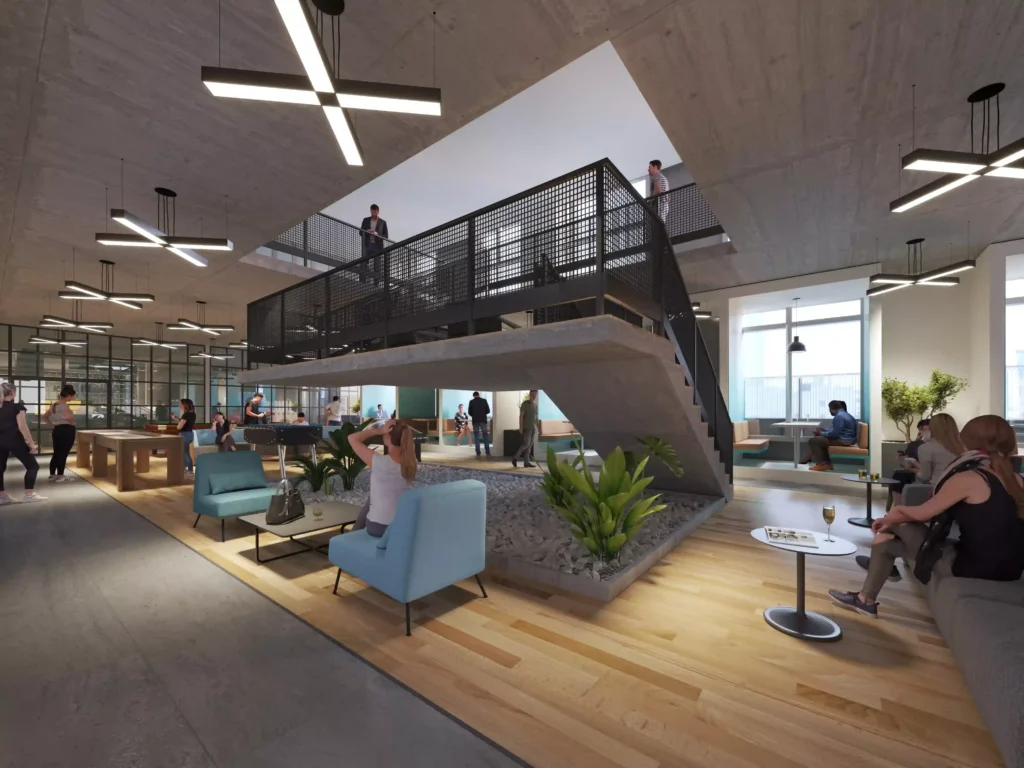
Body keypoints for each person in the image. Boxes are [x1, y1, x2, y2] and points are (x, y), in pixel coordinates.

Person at [829, 414, 1024, 618]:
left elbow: (922, 514)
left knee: (895, 523)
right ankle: (865, 600)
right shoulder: (1018, 480)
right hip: (1010, 570)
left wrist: (893, 515)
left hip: (974, 567)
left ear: (966, 439)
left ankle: (875, 585)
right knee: (884, 542)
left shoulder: (970, 478)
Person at [347, 419, 417, 537]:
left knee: (372, 500)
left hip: (379, 527)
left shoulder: (379, 461)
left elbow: (352, 438)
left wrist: (379, 430)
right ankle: (354, 534)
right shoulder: (412, 463)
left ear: (387, 437)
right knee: (374, 499)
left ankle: (353, 535)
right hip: (402, 525)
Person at [890, 413, 962, 507]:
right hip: (960, 489)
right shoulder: (964, 446)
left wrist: (912, 469)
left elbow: (925, 477)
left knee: (910, 489)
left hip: (936, 490)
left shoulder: (926, 448)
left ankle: (900, 512)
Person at [0, 382, 44, 504]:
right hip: (14, 440)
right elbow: (22, 426)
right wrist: (31, 443)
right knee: (33, 466)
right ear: (13, 393)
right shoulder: (17, 407)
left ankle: (2, 496)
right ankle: (29, 494)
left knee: (0, 468)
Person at [805, 400, 857, 471]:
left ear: (830, 409)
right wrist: (822, 433)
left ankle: (824, 464)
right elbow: (836, 430)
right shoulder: (846, 414)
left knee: (813, 440)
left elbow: (835, 434)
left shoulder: (839, 416)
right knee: (820, 439)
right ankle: (826, 463)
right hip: (849, 439)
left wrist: (821, 434)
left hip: (844, 440)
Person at [44, 384, 77, 483]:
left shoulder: (54, 405)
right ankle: (61, 475)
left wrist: (52, 425)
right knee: (63, 453)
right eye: (72, 396)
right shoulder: (64, 406)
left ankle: (52, 474)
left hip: (57, 430)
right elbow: (67, 417)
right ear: (69, 396)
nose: (73, 398)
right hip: (67, 430)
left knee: (57, 452)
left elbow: (45, 417)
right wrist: (72, 423)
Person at [361, 204, 389, 286]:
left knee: (377, 266)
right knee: (363, 263)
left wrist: (378, 234)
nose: (374, 214)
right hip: (367, 245)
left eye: (375, 213)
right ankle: (362, 282)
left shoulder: (383, 222)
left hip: (377, 246)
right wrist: (367, 232)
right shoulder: (365, 220)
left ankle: (376, 285)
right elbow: (360, 232)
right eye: (372, 212)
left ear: (378, 212)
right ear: (370, 211)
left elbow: (386, 236)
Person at [513, 390, 539, 469]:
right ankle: (515, 458)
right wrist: (520, 427)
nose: (533, 396)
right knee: (526, 444)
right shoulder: (525, 404)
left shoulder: (535, 406)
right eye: (532, 394)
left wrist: (538, 428)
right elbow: (521, 416)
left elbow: (536, 418)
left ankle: (526, 462)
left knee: (529, 446)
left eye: (535, 395)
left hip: (533, 428)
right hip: (526, 428)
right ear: (529, 394)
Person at [468, 391, 491, 460]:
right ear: (478, 395)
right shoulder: (484, 401)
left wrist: (474, 415)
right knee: (485, 436)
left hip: (475, 421)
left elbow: (469, 412)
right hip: (483, 420)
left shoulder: (471, 402)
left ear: (473, 396)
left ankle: (478, 454)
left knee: (476, 437)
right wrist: (483, 413)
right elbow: (488, 411)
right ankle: (487, 453)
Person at [177, 398, 197, 476]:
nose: (179, 405)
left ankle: (190, 471)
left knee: (185, 453)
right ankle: (185, 469)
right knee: (184, 452)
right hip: (190, 434)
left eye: (180, 404)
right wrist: (178, 419)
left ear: (185, 405)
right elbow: (186, 423)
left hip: (184, 434)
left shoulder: (186, 414)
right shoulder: (193, 414)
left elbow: (179, 427)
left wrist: (178, 424)